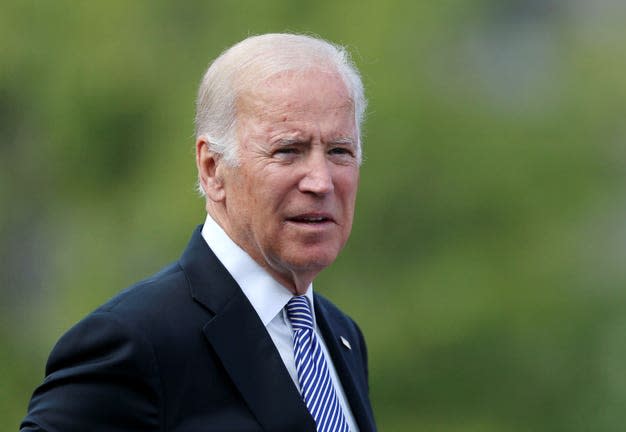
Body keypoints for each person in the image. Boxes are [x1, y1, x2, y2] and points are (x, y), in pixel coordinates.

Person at [21, 33, 376, 432]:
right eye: (287, 150)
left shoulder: (340, 336)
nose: (321, 181)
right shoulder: (136, 342)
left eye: (339, 151)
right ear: (212, 169)